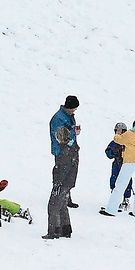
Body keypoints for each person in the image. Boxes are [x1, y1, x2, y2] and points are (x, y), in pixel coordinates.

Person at [45, 95, 80, 240]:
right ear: (69, 106)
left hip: (70, 157)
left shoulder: (67, 116)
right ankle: (57, 230)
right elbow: (63, 140)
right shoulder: (59, 119)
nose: (75, 111)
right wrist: (74, 134)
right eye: (74, 108)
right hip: (65, 157)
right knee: (58, 196)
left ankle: (61, 229)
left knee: (60, 195)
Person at [104, 122, 135, 213]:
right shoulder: (114, 142)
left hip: (126, 164)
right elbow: (108, 152)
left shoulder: (128, 142)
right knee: (114, 180)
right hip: (117, 164)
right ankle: (115, 198)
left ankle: (126, 199)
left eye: (122, 131)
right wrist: (114, 153)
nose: (120, 133)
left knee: (127, 181)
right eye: (117, 131)